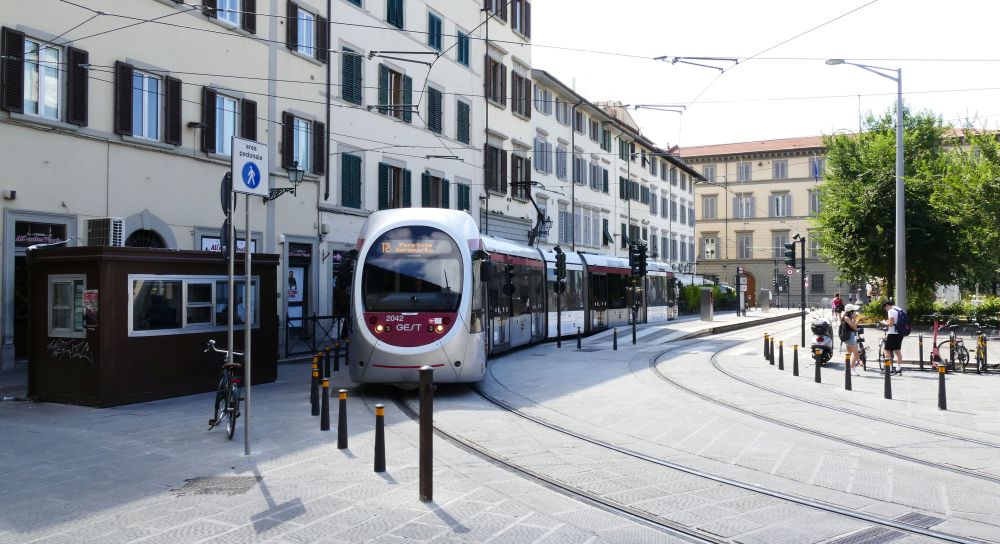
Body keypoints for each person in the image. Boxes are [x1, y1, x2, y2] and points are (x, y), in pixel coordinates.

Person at [880, 299, 904, 374]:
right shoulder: (899, 309)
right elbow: (895, 321)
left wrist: (884, 322)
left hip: (892, 333)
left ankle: (889, 368)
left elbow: (890, 324)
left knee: (887, 350)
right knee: (897, 351)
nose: (886, 310)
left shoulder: (891, 311)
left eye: (885, 308)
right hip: (900, 333)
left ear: (887, 305)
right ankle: (898, 368)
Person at [842, 304, 863, 375]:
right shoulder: (846, 318)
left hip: (849, 337)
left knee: (849, 354)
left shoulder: (846, 317)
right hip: (850, 337)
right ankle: (852, 369)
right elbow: (854, 327)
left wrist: (855, 320)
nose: (855, 312)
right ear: (850, 312)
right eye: (854, 311)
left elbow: (853, 327)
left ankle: (847, 369)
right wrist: (854, 319)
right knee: (856, 354)